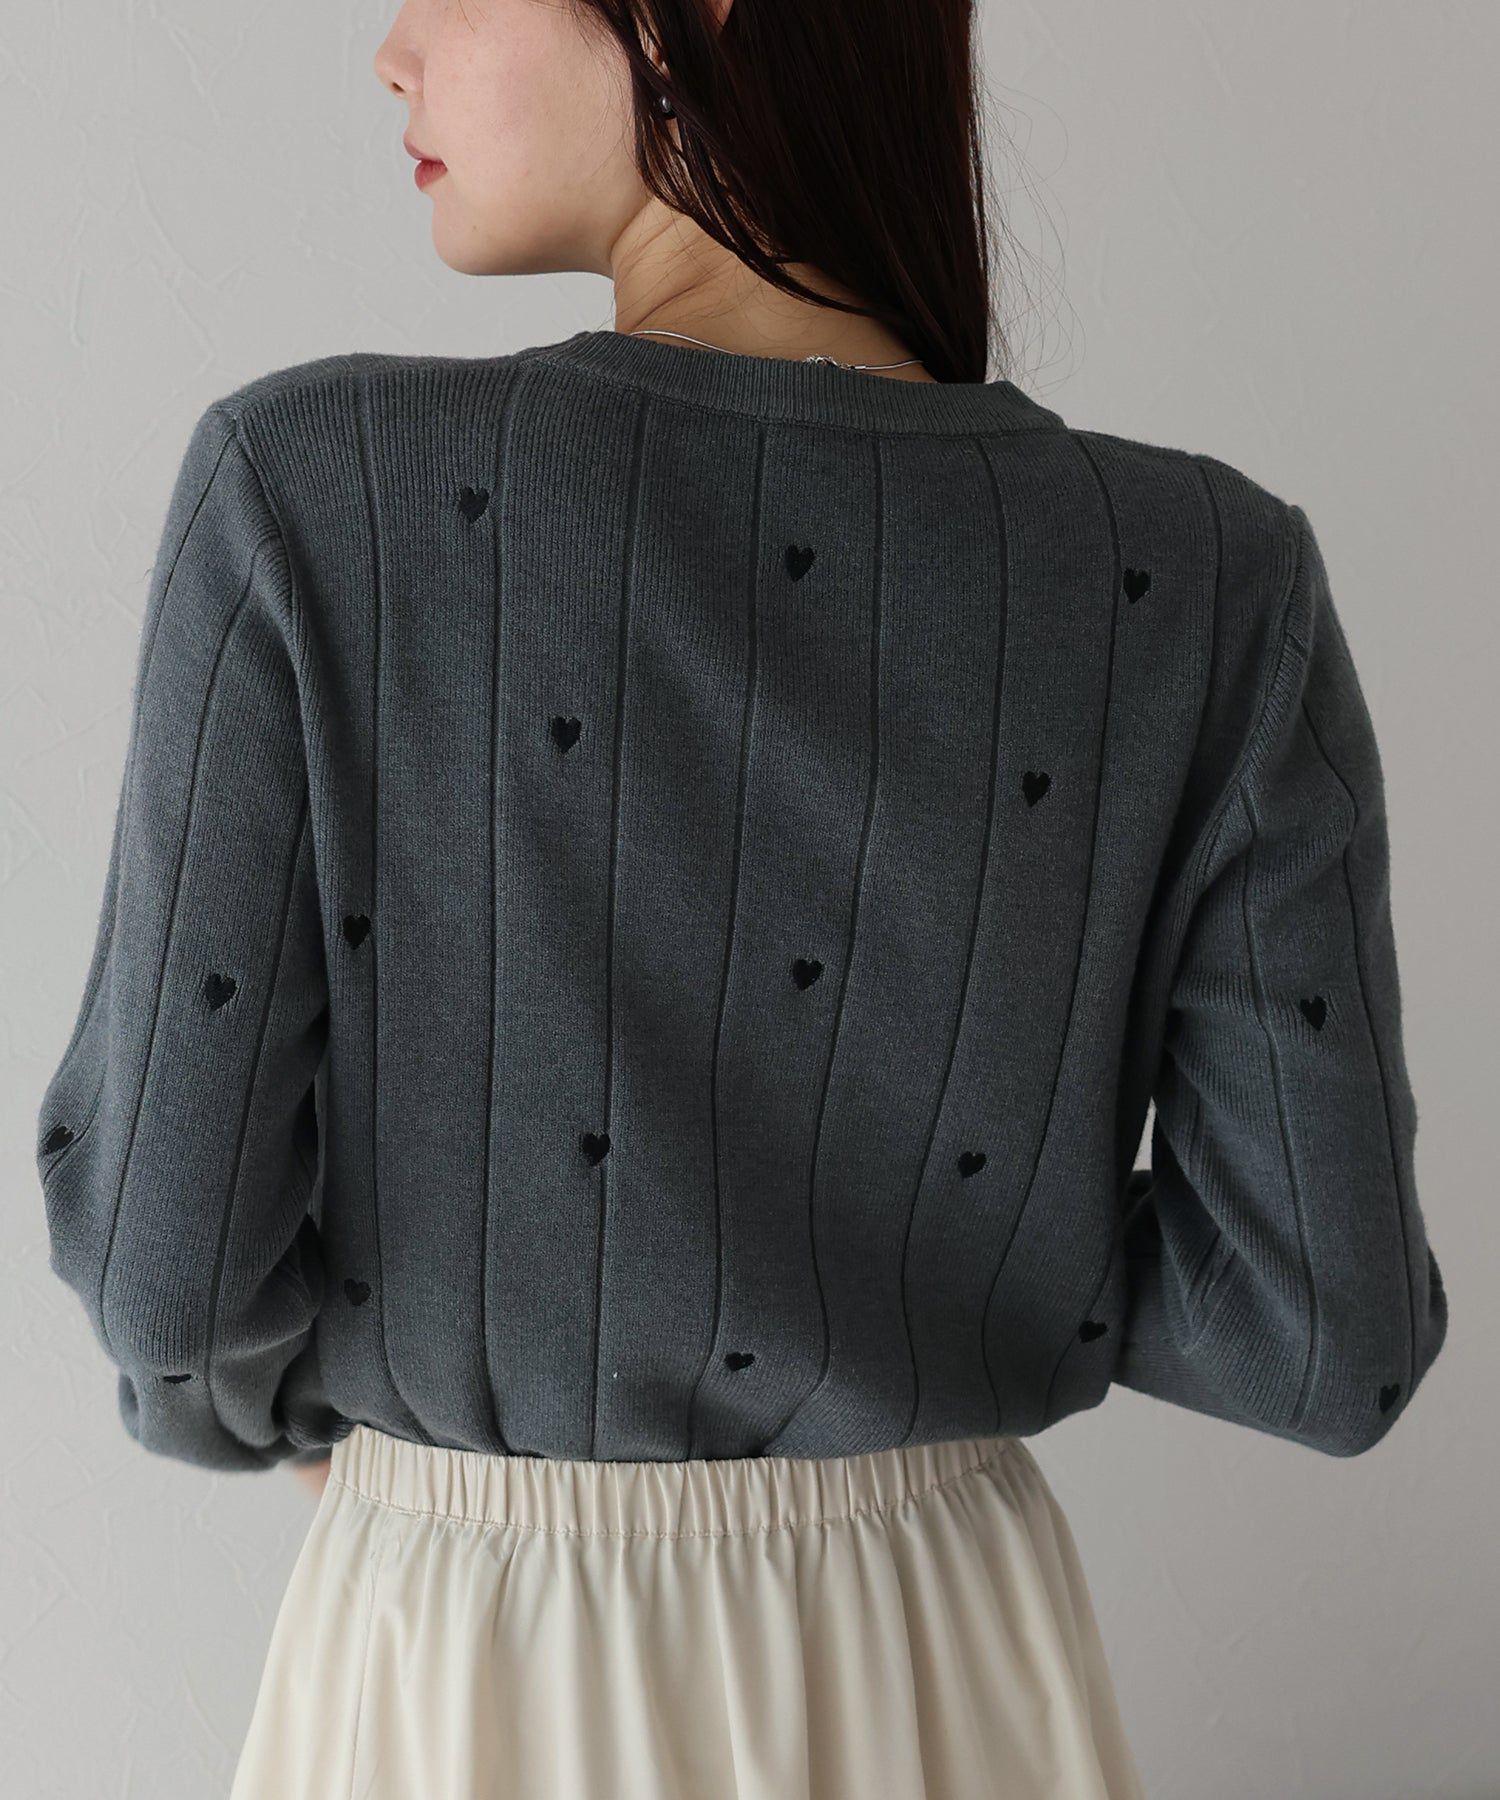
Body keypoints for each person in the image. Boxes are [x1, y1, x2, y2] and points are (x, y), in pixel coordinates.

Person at [33, 1, 1448, 1796]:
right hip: (944, 1670)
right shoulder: (1205, 580)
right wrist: (957, 1253)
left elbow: (170, 1271)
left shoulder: (313, 495)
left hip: (472, 1665)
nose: (391, 48)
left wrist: (329, 1391)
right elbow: (1323, 1334)